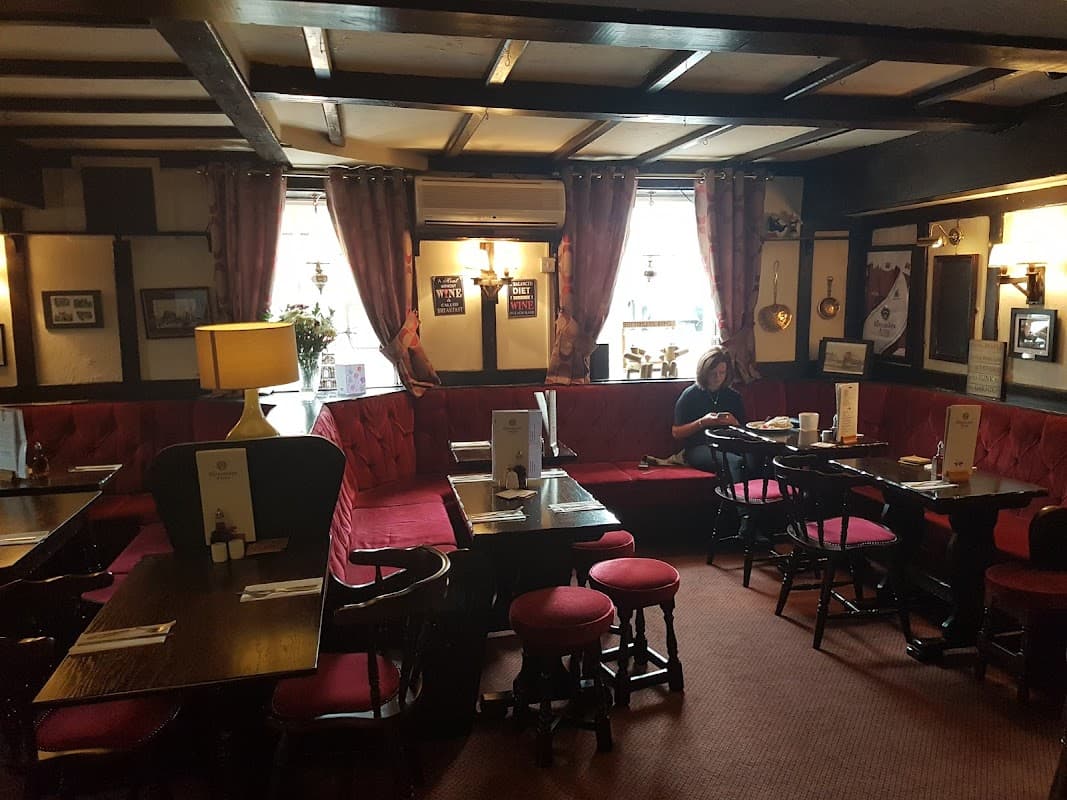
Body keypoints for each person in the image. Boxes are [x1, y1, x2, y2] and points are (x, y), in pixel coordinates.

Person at [672, 347, 746, 473]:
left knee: (755, 459)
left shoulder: (733, 396)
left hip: (729, 444)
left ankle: (758, 492)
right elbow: (676, 432)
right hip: (698, 447)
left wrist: (735, 423)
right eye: (713, 373)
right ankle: (735, 493)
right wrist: (702, 422)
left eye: (722, 373)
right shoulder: (691, 395)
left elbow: (745, 431)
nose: (717, 377)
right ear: (704, 372)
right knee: (735, 462)